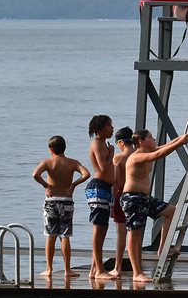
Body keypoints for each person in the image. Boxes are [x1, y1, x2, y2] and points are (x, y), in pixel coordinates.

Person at [121, 126, 188, 283]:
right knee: (135, 234)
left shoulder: (148, 151)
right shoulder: (136, 156)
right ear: (141, 141)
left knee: (170, 210)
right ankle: (137, 272)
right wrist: (181, 142)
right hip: (132, 198)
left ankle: (162, 248)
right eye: (151, 137)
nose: (154, 139)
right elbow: (159, 154)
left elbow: (166, 145)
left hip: (144, 198)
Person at [31, 135, 91, 279]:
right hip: (67, 201)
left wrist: (45, 185)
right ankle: (67, 269)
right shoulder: (72, 163)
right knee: (65, 236)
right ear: (64, 148)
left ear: (51, 149)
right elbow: (86, 174)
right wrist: (74, 185)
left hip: (51, 201)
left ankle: (49, 269)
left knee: (50, 236)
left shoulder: (48, 162)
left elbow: (35, 174)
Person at [86, 115, 116, 280]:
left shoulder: (104, 144)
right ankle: (99, 270)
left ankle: (94, 270)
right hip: (98, 187)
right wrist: (111, 155)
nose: (112, 128)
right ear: (100, 129)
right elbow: (103, 168)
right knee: (98, 229)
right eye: (109, 126)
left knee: (103, 229)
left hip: (106, 188)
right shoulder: (97, 144)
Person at [108, 126, 136, 278]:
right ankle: (136, 269)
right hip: (137, 195)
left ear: (120, 142)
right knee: (135, 233)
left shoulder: (118, 158)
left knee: (121, 234)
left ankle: (117, 267)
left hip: (121, 195)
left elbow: (116, 182)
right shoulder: (138, 154)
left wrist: (112, 204)